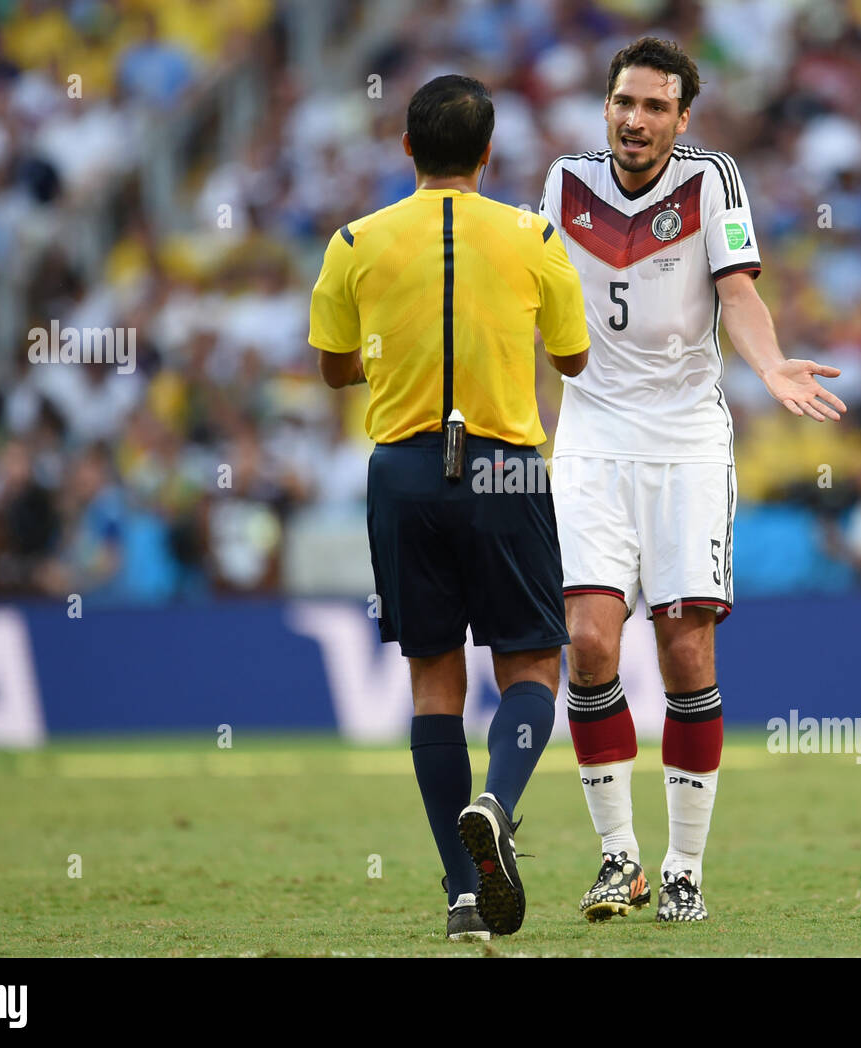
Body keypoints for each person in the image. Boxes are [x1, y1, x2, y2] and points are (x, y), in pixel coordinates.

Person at [538, 38, 846, 923]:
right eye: (623, 104)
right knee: (590, 643)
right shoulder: (563, 185)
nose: (636, 121)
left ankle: (683, 868)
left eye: (655, 108)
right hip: (592, 435)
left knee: (685, 654)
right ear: (607, 108)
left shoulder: (713, 182)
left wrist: (774, 365)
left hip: (684, 440)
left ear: (682, 119)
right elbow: (528, 292)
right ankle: (618, 859)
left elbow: (739, 291)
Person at [310, 75, 589, 940]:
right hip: (505, 467)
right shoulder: (533, 234)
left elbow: (332, 366)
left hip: (404, 474)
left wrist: (391, 367)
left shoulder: (353, 240)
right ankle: (497, 804)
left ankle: (462, 894)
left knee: (434, 680)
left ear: (406, 149)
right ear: (487, 154)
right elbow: (574, 359)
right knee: (535, 668)